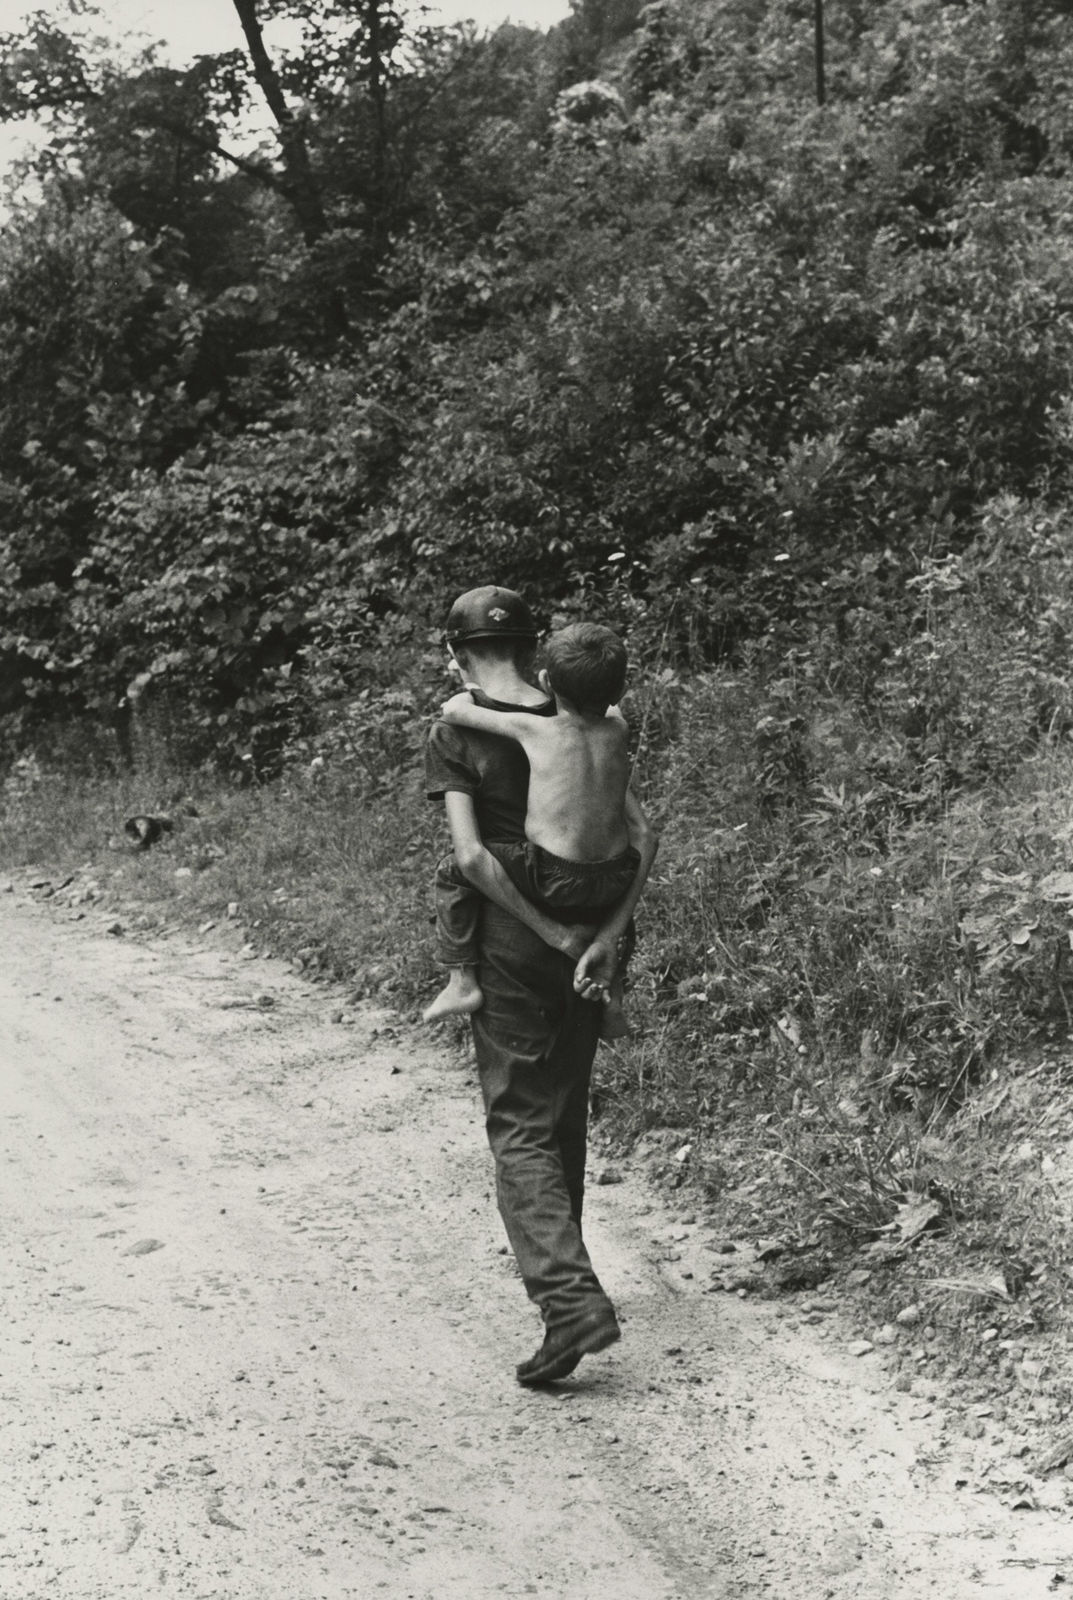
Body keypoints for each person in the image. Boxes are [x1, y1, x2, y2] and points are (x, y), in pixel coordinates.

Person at [424, 585, 658, 1385]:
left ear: (458, 652)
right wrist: (598, 938)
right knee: (561, 1113)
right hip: (595, 925)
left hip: (517, 939)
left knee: (519, 1122)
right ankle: (570, 1286)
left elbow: (470, 859)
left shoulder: (465, 729)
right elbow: (634, 831)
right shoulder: (592, 722)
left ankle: (569, 1303)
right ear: (534, 650)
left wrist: (546, 934)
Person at [423, 620, 648, 1039]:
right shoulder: (618, 729)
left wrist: (464, 689)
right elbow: (609, 706)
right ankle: (613, 998)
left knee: (455, 868)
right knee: (612, 909)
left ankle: (461, 979)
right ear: (621, 690)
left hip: (553, 873)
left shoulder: (536, 729)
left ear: (546, 681)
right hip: (614, 875)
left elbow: (453, 712)